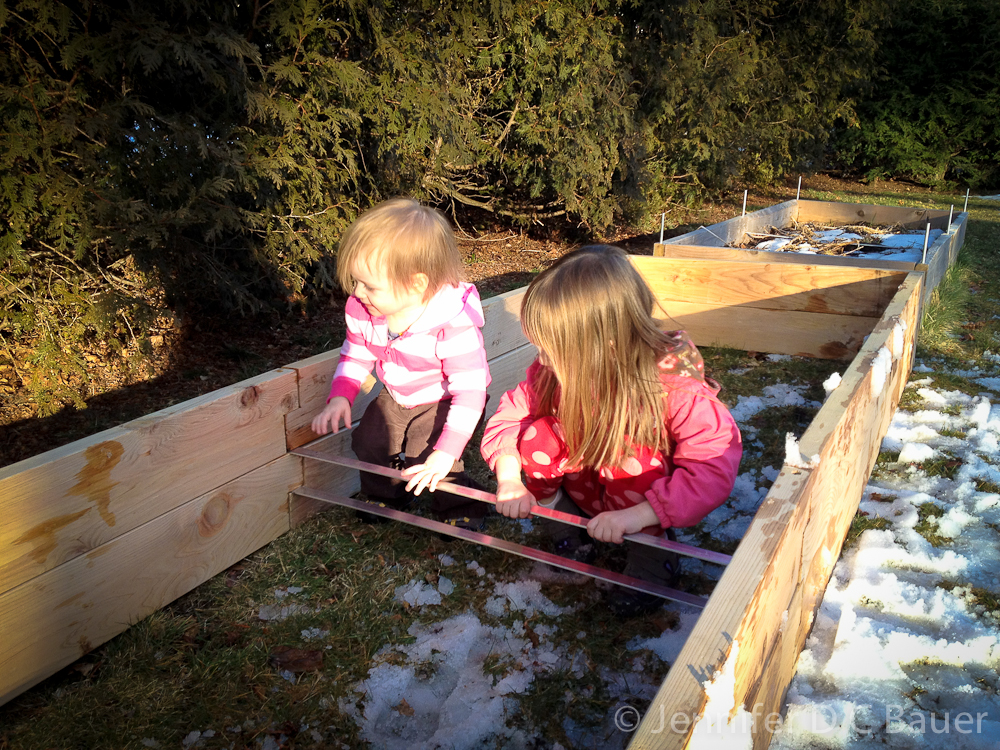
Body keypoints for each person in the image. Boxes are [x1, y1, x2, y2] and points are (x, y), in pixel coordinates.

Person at [480, 245, 742, 616]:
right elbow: (508, 417)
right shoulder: (552, 375)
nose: (541, 359)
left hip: (640, 501)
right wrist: (509, 478)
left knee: (633, 454)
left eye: (552, 350)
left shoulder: (674, 392)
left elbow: (711, 467)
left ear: (605, 346)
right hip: (584, 490)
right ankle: (564, 525)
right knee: (539, 435)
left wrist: (639, 516)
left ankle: (652, 560)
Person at [311, 197, 491, 529]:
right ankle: (387, 495)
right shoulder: (366, 310)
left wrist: (447, 449)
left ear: (416, 283)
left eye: (370, 285)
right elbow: (356, 353)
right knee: (369, 441)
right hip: (397, 394)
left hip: (446, 399)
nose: (358, 292)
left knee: (429, 453)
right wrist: (341, 396)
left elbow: (471, 391)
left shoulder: (452, 323)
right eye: (355, 281)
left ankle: (460, 507)